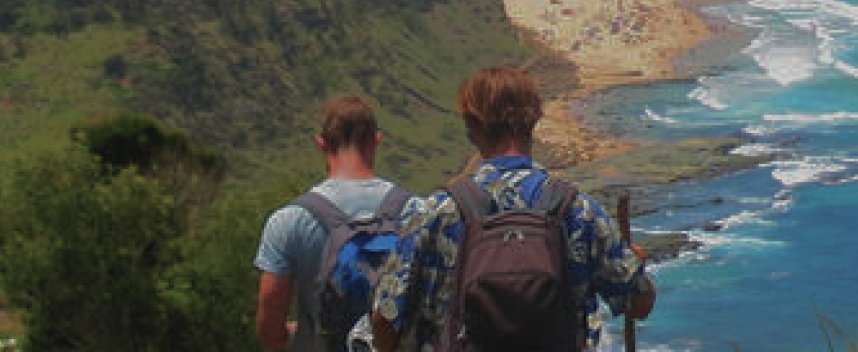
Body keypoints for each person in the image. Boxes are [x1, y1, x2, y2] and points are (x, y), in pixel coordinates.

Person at [369, 67, 652, 352]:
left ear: (472, 127)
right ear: (534, 120)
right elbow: (639, 303)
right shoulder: (578, 211)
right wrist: (635, 263)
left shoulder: (436, 212)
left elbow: (385, 315)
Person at [254, 94, 413, 351]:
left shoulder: (289, 221)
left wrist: (302, 335)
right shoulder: (416, 212)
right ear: (377, 139)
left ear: (321, 143)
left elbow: (270, 328)